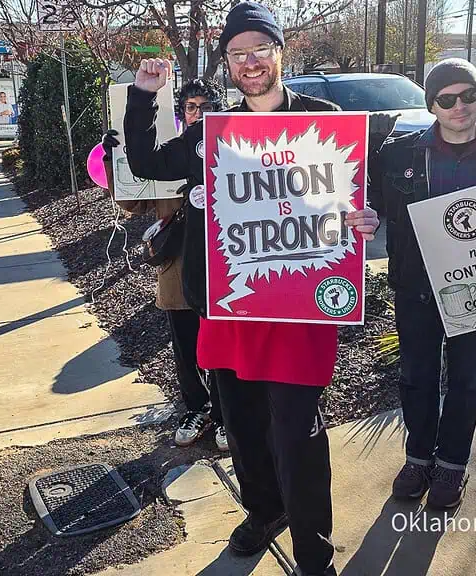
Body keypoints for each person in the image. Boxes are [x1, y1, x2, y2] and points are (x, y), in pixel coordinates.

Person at [122, 3, 387, 574]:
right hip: (231, 306)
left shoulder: (325, 120)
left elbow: (360, 195)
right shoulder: (211, 134)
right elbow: (144, 161)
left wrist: (366, 217)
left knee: (297, 433)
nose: (250, 62)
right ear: (227, 62)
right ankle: (266, 511)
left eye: (260, 50)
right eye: (238, 53)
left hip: (298, 309)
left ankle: (313, 547)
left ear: (280, 52)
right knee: (241, 426)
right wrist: (145, 94)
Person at [347, 58, 476, 509]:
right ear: (432, 104)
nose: (460, 107)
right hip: (417, 286)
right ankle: (418, 458)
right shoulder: (398, 154)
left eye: (469, 95)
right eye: (447, 99)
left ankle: (452, 465)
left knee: (468, 381)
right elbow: (371, 203)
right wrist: (366, 218)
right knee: (416, 377)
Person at [101, 79, 230, 452]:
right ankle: (196, 409)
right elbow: (134, 202)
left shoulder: (228, 154)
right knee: (186, 349)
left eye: (206, 106)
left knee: (221, 349)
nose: (198, 113)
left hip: (221, 275)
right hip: (177, 272)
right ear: (182, 112)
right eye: (191, 106)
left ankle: (224, 415)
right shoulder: (168, 156)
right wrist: (115, 162)